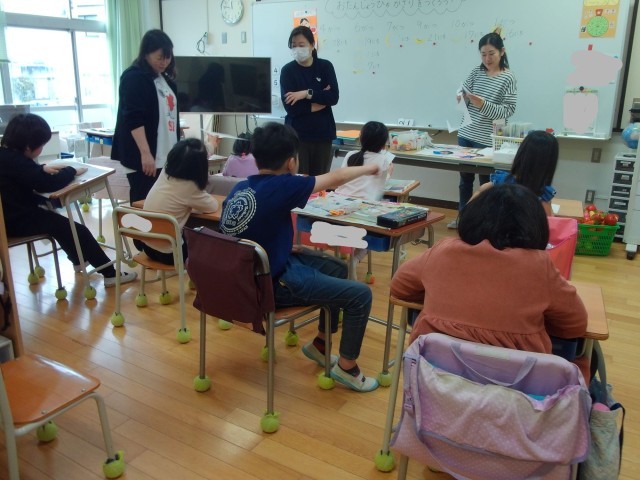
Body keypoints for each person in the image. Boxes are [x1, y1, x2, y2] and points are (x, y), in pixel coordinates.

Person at [219, 122, 380, 392]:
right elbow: (337, 177)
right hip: (269, 285)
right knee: (360, 295)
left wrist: (279, 246)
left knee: (339, 269)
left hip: (249, 275)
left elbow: (247, 232)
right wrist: (370, 168)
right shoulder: (284, 184)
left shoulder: (241, 188)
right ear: (292, 161)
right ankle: (347, 367)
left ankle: (320, 345)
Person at [391, 183, 587, 353]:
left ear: (472, 217)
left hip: (436, 380)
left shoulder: (443, 252)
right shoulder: (538, 265)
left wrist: (440, 295)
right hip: (514, 384)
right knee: (584, 356)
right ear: (536, 227)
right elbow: (575, 325)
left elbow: (399, 287)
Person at [0, 114, 137, 287]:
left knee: (62, 226)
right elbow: (46, 183)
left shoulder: (6, 155)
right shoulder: (17, 162)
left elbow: (28, 173)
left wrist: (42, 168)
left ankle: (78, 260)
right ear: (28, 146)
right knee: (76, 230)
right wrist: (71, 171)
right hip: (17, 220)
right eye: (41, 145)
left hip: (10, 217)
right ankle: (110, 274)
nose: (41, 148)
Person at [449, 30, 517, 229]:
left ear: (502, 52)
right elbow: (463, 93)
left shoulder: (508, 77)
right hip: (466, 133)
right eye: (483, 54)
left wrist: (483, 104)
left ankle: (484, 223)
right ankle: (463, 219)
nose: (487, 59)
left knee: (487, 183)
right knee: (465, 180)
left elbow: (508, 110)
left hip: (489, 139)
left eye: (491, 53)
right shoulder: (476, 72)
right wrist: (460, 97)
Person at [111, 29, 180, 206]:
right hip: (145, 155)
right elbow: (133, 118)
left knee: (162, 204)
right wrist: (146, 153)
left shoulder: (165, 79)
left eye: (168, 57)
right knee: (144, 203)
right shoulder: (133, 77)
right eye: (160, 58)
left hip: (165, 155)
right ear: (146, 54)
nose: (164, 62)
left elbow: (170, 115)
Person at [142, 138, 218, 265]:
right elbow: (213, 206)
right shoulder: (190, 187)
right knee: (207, 245)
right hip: (171, 254)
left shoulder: (165, 172)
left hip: (148, 247)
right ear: (199, 167)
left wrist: (211, 145)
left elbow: (195, 154)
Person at [280, 25, 339, 176]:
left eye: (301, 45)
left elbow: (333, 97)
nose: (297, 49)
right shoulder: (287, 71)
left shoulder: (325, 67)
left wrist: (306, 94)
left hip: (323, 135)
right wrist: (320, 99)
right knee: (300, 181)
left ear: (312, 45)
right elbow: (291, 109)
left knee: (321, 181)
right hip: (297, 136)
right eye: (293, 46)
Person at [471, 130, 558, 216]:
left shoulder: (499, 181)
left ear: (520, 154)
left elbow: (473, 202)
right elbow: (549, 222)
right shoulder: (542, 196)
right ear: (549, 164)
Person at [334, 121, 394, 201]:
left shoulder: (350, 154)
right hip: (364, 202)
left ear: (360, 138)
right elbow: (381, 185)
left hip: (338, 198)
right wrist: (389, 173)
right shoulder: (383, 159)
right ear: (384, 144)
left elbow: (341, 179)